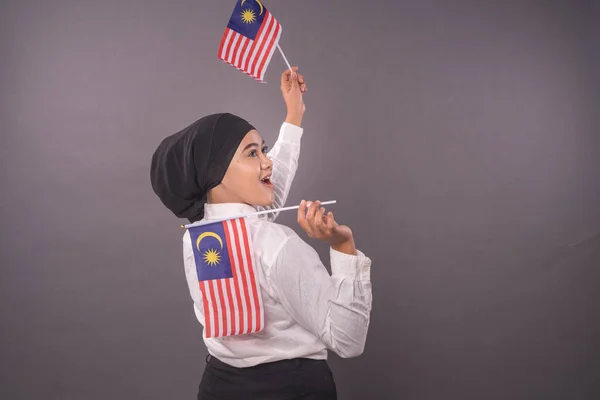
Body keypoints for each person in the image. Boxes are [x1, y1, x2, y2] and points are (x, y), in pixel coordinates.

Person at [150, 68, 373, 399]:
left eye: (263, 149)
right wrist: (343, 246)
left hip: (220, 386)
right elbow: (347, 339)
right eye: (252, 153)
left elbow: (267, 188)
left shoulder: (198, 235)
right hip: (290, 389)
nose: (267, 162)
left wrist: (294, 114)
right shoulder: (275, 244)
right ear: (215, 173)